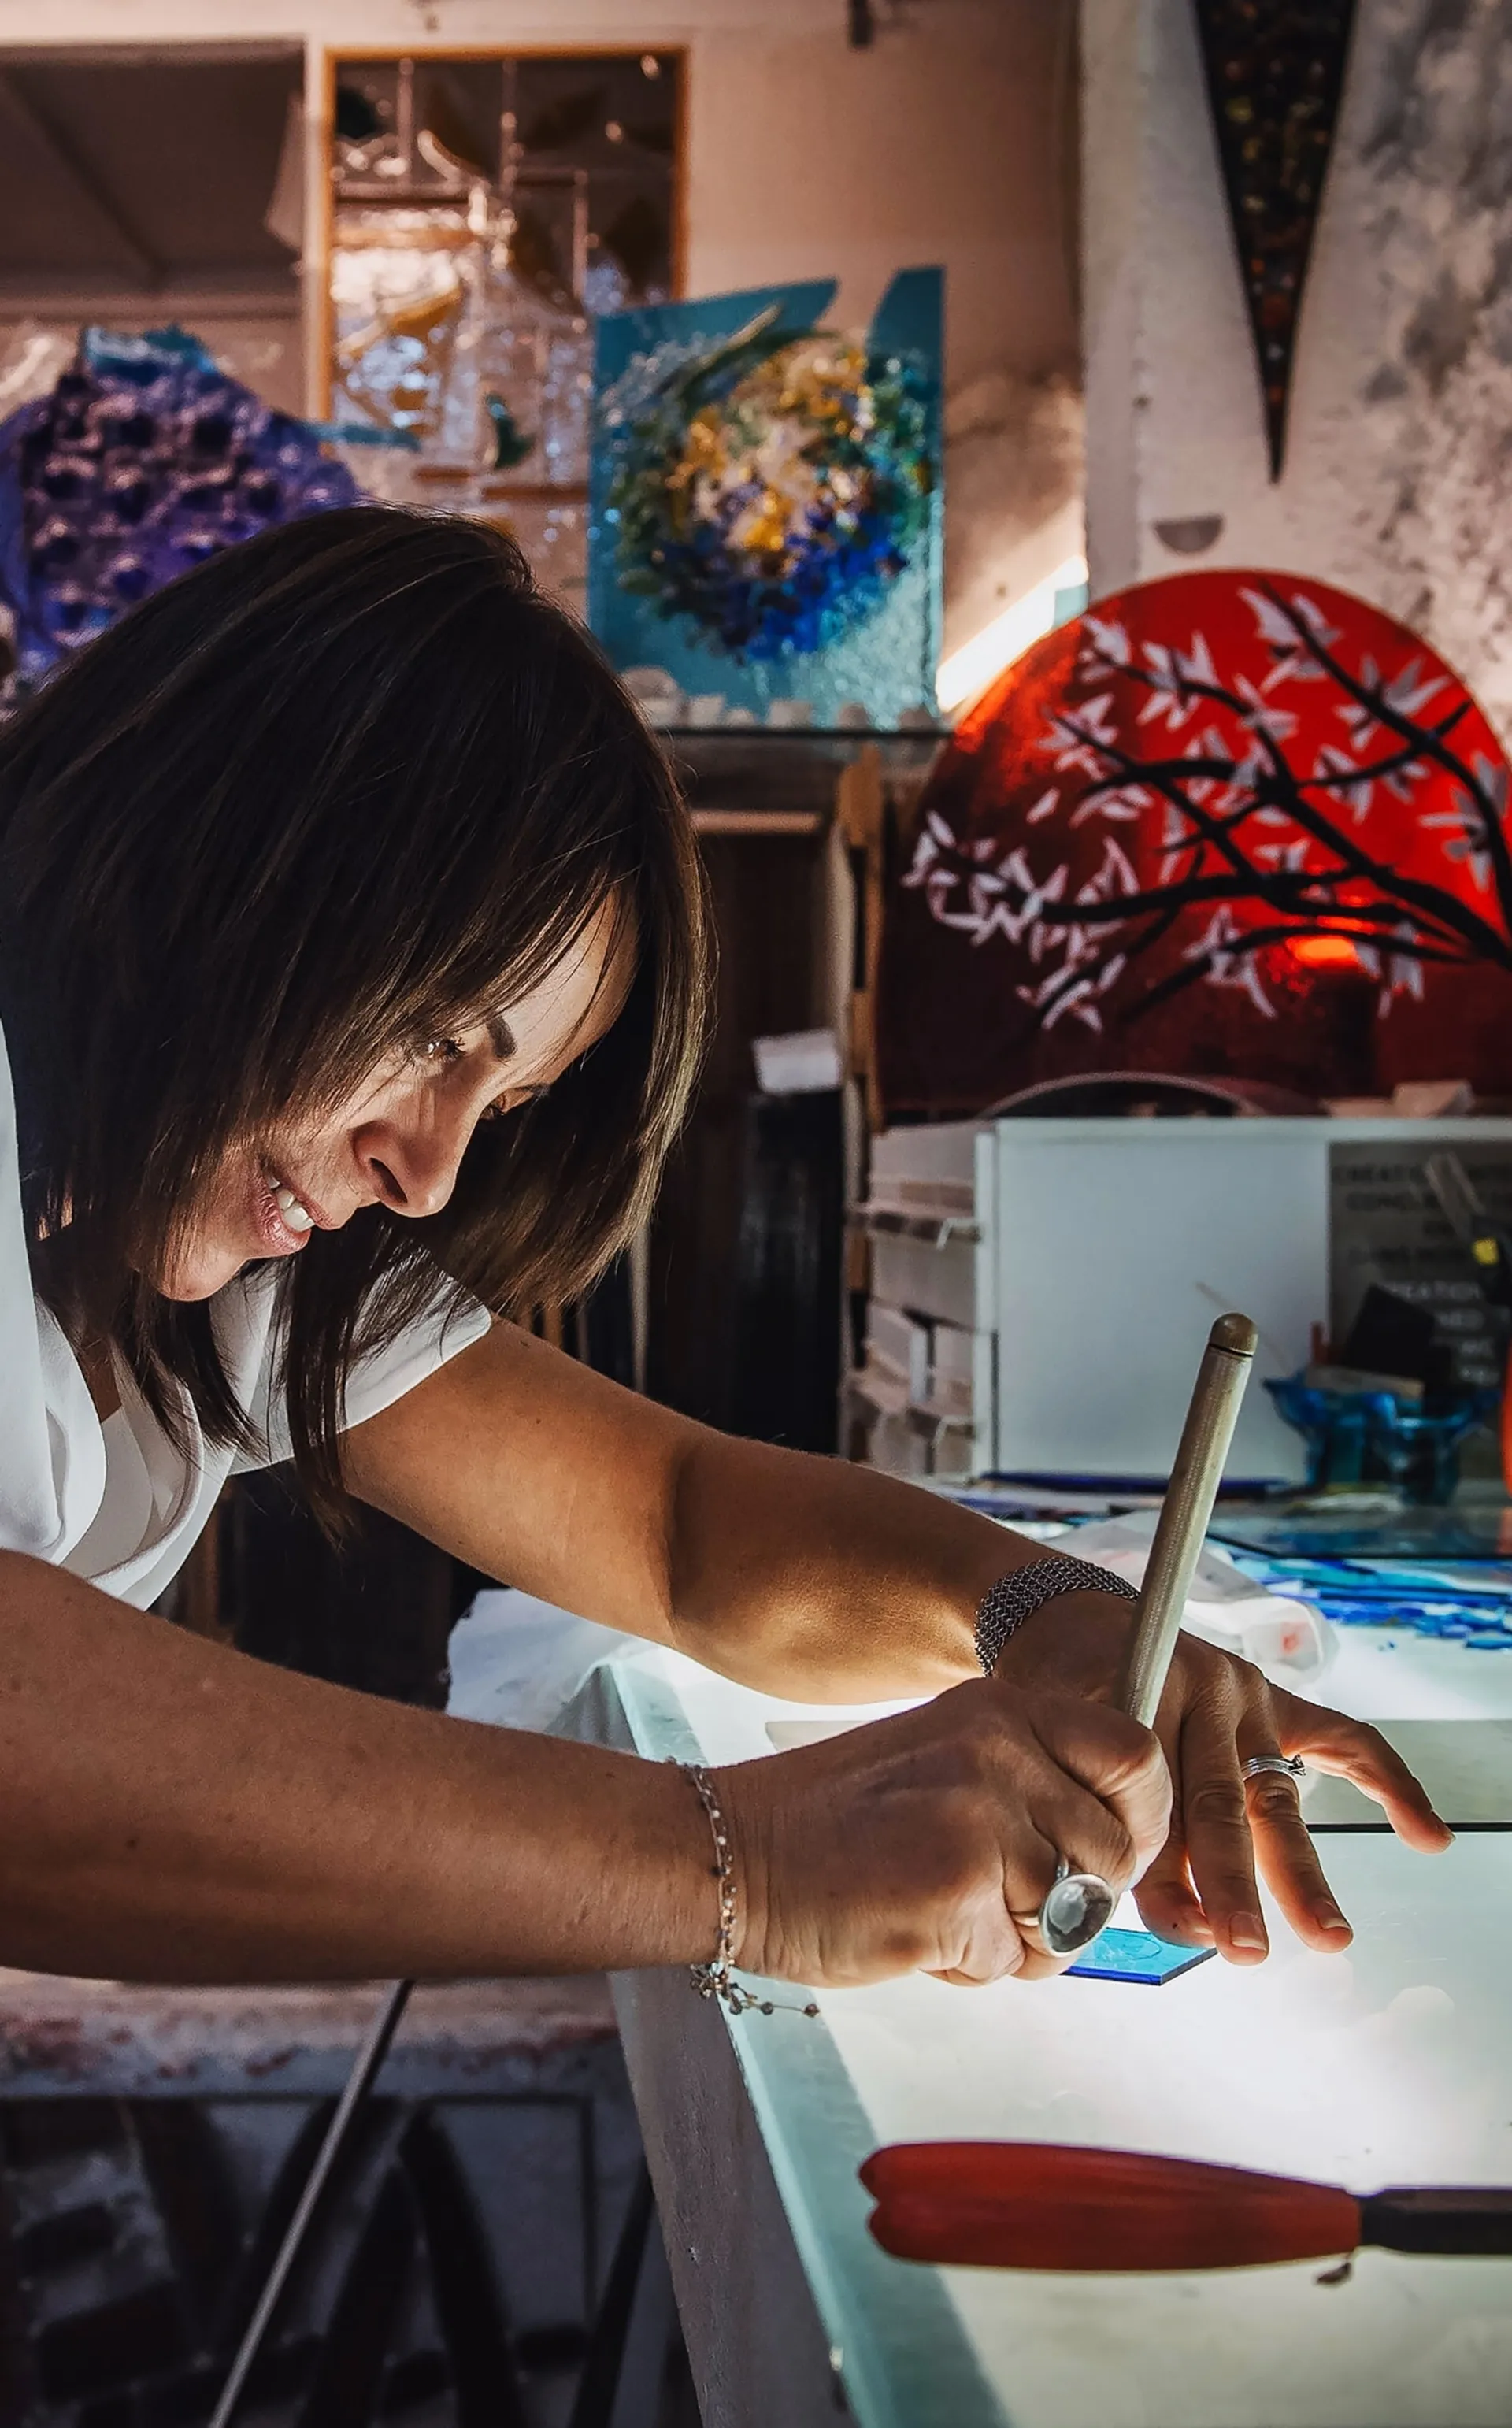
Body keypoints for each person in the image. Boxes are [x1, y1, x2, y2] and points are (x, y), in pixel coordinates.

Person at [0, 506, 1447, 2003]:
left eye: (501, 1103)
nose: (427, 1175)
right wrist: (749, 1856)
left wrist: (1043, 1610)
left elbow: (672, 1522)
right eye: (437, 1039)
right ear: (223, 844)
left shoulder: (234, 1265)